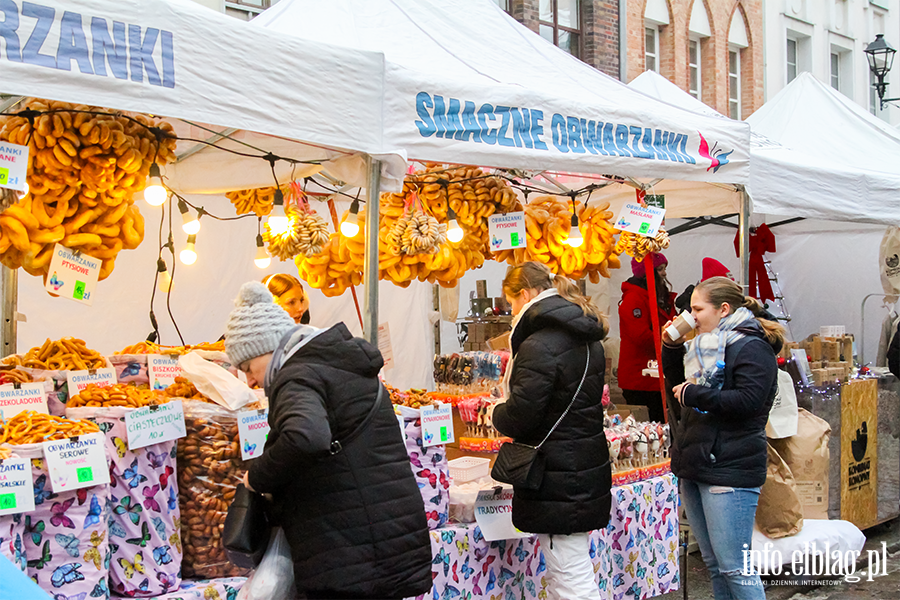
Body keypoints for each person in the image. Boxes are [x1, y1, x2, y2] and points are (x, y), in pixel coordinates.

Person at [224, 282, 432, 600]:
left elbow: (305, 437)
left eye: (248, 367)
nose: (249, 380)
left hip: (348, 550)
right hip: (387, 537)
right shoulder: (342, 368)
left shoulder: (296, 376)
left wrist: (256, 477)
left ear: (266, 348)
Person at [492, 262, 611, 600]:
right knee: (567, 565)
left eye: (512, 302)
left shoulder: (539, 344)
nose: (512, 312)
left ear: (526, 295)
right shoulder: (587, 338)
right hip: (580, 461)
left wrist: (497, 411)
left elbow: (521, 416)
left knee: (569, 570)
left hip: (557, 470)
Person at [661, 276, 785, 600]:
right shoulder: (705, 346)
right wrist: (671, 347)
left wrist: (695, 394)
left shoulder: (752, 346)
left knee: (735, 568)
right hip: (698, 462)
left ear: (724, 309)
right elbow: (678, 389)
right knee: (715, 565)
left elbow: (748, 402)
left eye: (697, 309)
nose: (692, 316)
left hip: (730, 466)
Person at [617, 253, 677, 423]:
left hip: (660, 376)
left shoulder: (662, 297)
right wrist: (671, 341)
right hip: (641, 379)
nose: (664, 274)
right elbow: (641, 337)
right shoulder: (633, 299)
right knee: (651, 428)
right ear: (646, 274)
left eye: (664, 269)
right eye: (659, 270)